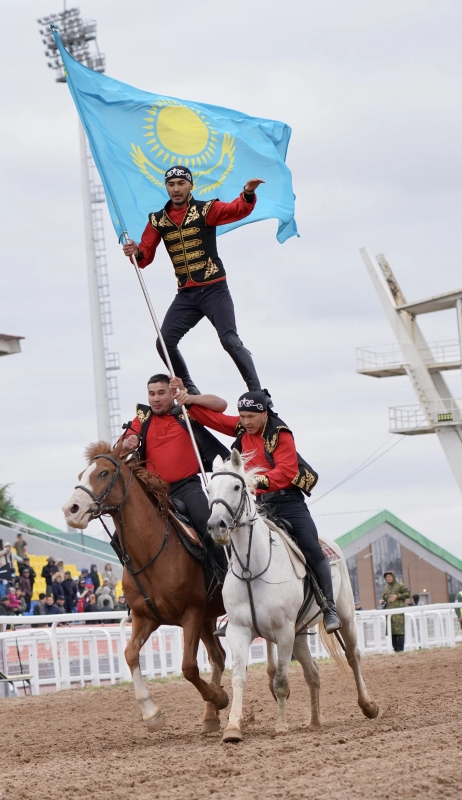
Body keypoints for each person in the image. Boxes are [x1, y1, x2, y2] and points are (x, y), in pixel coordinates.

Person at [180, 383, 336, 632]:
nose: (246, 422)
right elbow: (213, 419)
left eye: (251, 417)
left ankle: (329, 608)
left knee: (311, 548)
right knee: (236, 551)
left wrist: (254, 481)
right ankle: (236, 612)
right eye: (242, 417)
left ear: (265, 414)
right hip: (259, 505)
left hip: (289, 503)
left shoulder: (281, 434)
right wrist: (186, 402)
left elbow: (287, 471)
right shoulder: (243, 427)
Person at [121, 166, 267, 394]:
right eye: (171, 184)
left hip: (214, 289)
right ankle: (189, 388)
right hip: (186, 295)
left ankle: (257, 392)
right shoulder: (158, 220)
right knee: (164, 342)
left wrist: (247, 192)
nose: (176, 189)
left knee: (229, 340)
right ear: (166, 187)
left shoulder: (206, 210)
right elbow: (144, 255)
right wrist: (134, 251)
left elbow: (237, 210)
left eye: (181, 183)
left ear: (190, 185)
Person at [122, 374, 231, 542]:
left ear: (172, 393)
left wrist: (190, 397)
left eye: (161, 393)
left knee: (206, 523)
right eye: (152, 394)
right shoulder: (143, 417)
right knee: (121, 533)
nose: (156, 399)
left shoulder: (186, 412)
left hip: (187, 488)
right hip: (153, 490)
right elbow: (122, 445)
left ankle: (221, 567)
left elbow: (221, 405)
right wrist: (127, 443)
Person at [382, 572, 412, 652]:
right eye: (387, 577)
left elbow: (407, 594)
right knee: (392, 632)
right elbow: (385, 598)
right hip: (389, 614)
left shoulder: (400, 585)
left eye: (389, 576)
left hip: (398, 614)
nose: (388, 578)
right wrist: (382, 601)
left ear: (393, 577)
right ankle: (395, 650)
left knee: (400, 632)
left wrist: (397, 596)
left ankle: (401, 649)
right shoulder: (386, 588)